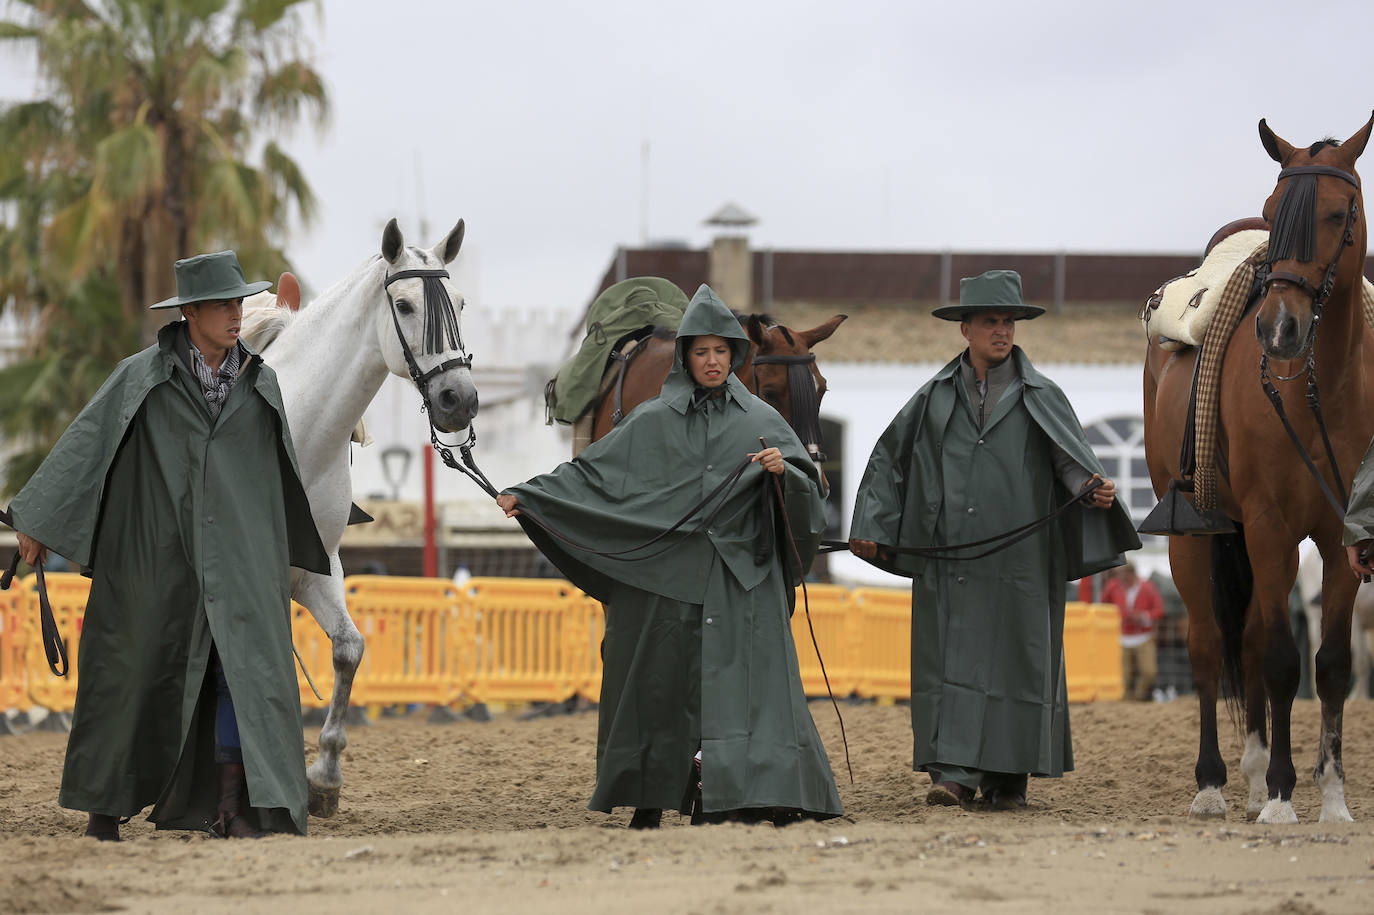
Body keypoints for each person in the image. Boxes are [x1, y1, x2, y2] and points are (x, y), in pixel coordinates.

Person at [496, 284, 843, 828]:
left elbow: (808, 491)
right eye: (701, 351)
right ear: (686, 356)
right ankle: (650, 798)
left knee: (749, 689)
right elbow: (592, 473)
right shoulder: (651, 419)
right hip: (665, 580)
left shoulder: (761, 418)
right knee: (655, 684)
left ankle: (756, 794)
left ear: (735, 355)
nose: (711, 361)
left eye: (721, 351)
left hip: (739, 581)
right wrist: (531, 497)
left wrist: (787, 473)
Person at [11, 250, 329, 840]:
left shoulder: (263, 384)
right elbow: (86, 445)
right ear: (191, 313)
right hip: (156, 556)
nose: (237, 314)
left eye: (239, 303)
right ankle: (105, 809)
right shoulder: (140, 377)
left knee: (244, 673)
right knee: (131, 669)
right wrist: (37, 521)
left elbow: (278, 471)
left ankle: (233, 807)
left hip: (239, 559)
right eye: (223, 305)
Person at [847, 269, 1140, 810]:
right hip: (950, 558)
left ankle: (1008, 779)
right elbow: (889, 458)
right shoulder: (932, 397)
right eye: (990, 321)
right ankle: (954, 775)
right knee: (950, 662)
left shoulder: (1042, 395)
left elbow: (1069, 459)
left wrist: (1091, 488)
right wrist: (871, 526)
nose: (1001, 331)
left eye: (1008, 321)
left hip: (1022, 563)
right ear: (966, 329)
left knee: (1018, 663)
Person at [1100, 562, 1164, 701]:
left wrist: (1145, 616)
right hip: (1122, 637)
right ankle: (1127, 700)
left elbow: (1159, 610)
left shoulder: (1147, 587)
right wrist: (1114, 617)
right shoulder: (1113, 586)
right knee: (1124, 675)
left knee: (1149, 672)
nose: (1122, 579)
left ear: (1132, 573)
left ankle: (1136, 697)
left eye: (1124, 575)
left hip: (1144, 636)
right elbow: (1103, 606)